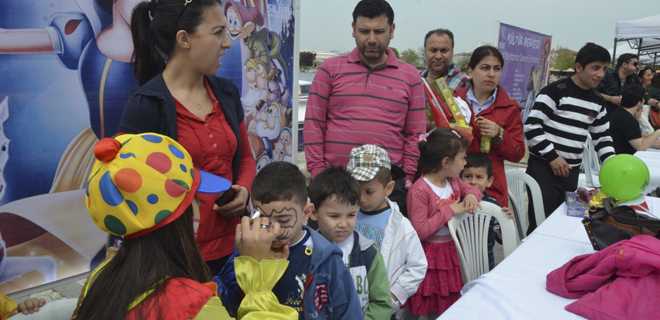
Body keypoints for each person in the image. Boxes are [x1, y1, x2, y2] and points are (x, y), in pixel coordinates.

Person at [72, 133, 297, 320]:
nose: (202, 207)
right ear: (187, 218)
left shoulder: (100, 278)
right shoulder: (190, 307)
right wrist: (257, 278)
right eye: (195, 199)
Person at [119, 0, 256, 274]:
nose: (226, 43)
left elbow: (246, 159)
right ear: (184, 39)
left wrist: (242, 188)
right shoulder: (146, 105)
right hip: (176, 260)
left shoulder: (226, 93)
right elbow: (128, 184)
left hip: (233, 250)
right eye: (218, 32)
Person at [303, 0, 426, 216]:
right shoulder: (330, 70)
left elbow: (415, 133)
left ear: (392, 30)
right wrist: (318, 172)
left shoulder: (410, 76)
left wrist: (406, 177)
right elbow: (314, 124)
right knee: (332, 249)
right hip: (334, 184)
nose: (371, 39)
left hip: (386, 188)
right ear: (353, 29)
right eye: (364, 31)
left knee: (384, 248)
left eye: (379, 31)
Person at [216, 162, 363, 319]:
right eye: (263, 219)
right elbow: (224, 302)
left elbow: (348, 312)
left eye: (284, 220)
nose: (274, 230)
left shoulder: (326, 260)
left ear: (307, 212)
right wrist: (247, 261)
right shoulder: (248, 249)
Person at [525, 42, 615, 232]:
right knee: (539, 224)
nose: (600, 74)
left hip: (570, 173)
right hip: (543, 169)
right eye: (595, 68)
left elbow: (603, 138)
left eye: (604, 69)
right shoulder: (555, 91)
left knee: (563, 223)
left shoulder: (597, 101)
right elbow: (532, 126)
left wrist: (613, 164)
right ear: (579, 67)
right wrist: (553, 157)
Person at [405, 128, 482, 318]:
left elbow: (473, 189)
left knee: (449, 299)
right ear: (446, 162)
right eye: (462, 158)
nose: (465, 163)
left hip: (451, 251)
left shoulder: (453, 181)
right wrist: (449, 210)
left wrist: (472, 195)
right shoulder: (419, 190)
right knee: (430, 302)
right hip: (430, 257)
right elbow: (420, 230)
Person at [346, 144, 427, 316]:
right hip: (349, 299)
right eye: (355, 191)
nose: (361, 198)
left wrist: (395, 295)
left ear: (388, 189)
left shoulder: (401, 226)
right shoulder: (346, 216)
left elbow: (417, 265)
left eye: (369, 191)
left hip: (382, 303)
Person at [308, 167, 391, 320]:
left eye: (351, 215)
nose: (344, 224)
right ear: (313, 213)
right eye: (334, 216)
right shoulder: (308, 252)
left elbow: (382, 302)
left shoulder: (368, 252)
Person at [454, 45, 525, 207]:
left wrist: (499, 134)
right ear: (471, 71)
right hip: (456, 185)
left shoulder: (510, 108)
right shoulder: (454, 102)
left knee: (491, 231)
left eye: (497, 69)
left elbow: (517, 154)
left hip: (491, 188)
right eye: (485, 68)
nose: (491, 74)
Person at [460, 153, 513, 269]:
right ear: (460, 179)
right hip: (458, 261)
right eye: (468, 176)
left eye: (479, 177)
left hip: (485, 262)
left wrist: (506, 219)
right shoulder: (456, 201)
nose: (473, 181)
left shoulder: (493, 205)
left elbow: (501, 238)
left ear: (489, 181)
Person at [420, 28, 473, 138]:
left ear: (452, 51)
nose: (438, 56)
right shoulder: (415, 80)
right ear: (425, 51)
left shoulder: (466, 83)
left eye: (444, 51)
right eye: (433, 50)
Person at [610, 84, 660, 154]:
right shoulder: (628, 119)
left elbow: (636, 137)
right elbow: (640, 146)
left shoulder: (620, 113)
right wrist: (658, 132)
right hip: (624, 158)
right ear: (639, 102)